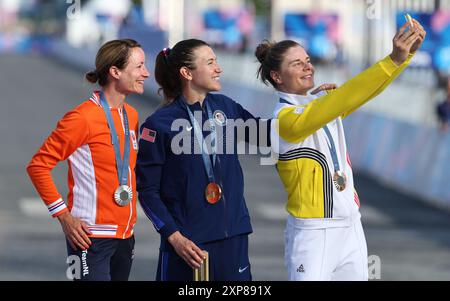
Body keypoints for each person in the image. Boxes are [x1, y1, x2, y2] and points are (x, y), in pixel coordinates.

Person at [255, 19, 426, 280]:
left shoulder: (320, 103)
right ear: (277, 77)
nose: (308, 66)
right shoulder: (284, 120)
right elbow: (347, 96)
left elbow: (363, 94)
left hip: (351, 226)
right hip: (314, 233)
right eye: (296, 63)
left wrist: (406, 56)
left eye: (307, 59)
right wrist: (392, 59)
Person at [27, 39, 150, 281]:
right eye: (139, 67)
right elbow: (38, 165)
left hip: (126, 237)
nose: (146, 73)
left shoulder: (132, 116)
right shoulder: (82, 118)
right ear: (115, 71)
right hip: (89, 237)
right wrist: (64, 216)